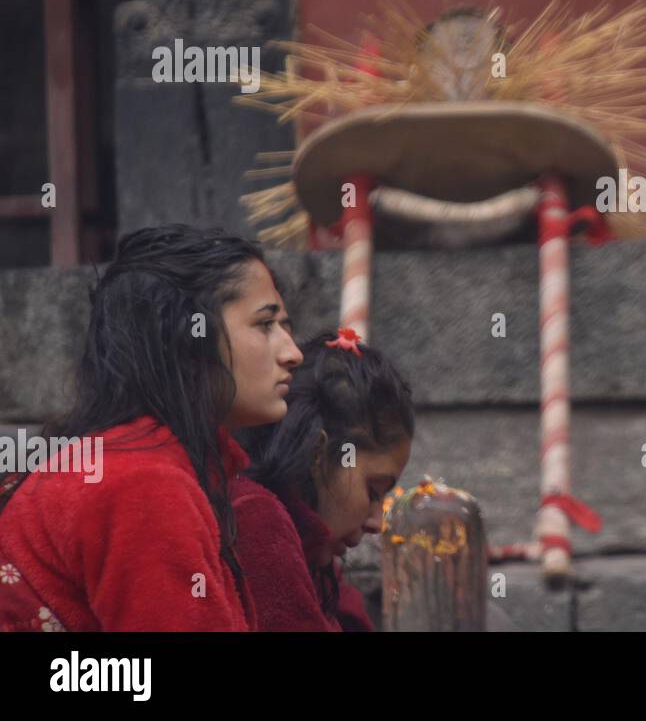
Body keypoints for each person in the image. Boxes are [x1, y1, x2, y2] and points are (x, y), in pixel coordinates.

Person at [0, 225, 302, 631]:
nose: (293, 353)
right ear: (188, 337)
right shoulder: (143, 483)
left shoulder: (133, 462)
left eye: (286, 326)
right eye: (265, 325)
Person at [233, 329, 413, 631]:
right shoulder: (256, 522)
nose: (376, 523)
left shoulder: (316, 559)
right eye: (373, 491)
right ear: (318, 452)